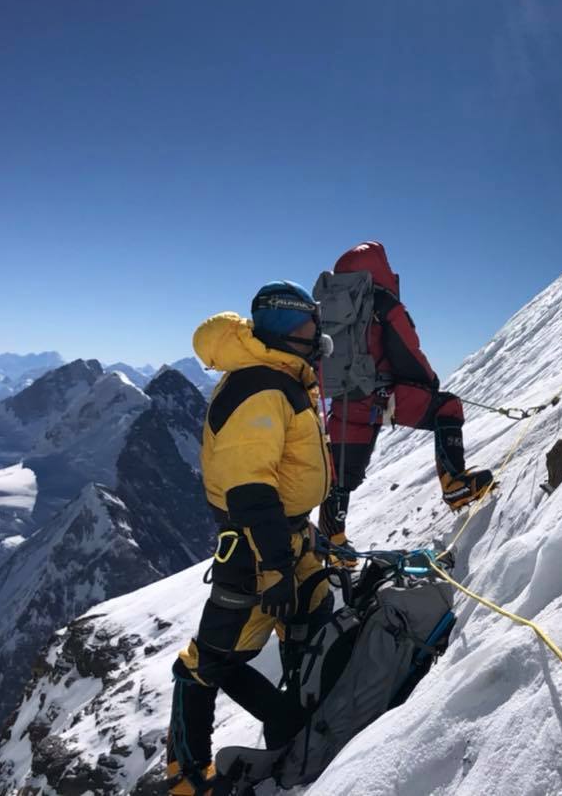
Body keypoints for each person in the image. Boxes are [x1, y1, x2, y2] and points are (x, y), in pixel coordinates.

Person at [167, 281, 335, 795]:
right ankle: (187, 774)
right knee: (210, 661)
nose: (315, 332)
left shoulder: (278, 379)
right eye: (305, 324)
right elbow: (249, 487)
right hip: (258, 547)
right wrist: (275, 567)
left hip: (285, 539)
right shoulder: (262, 386)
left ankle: (295, 724)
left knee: (311, 620)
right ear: (286, 332)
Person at [320, 242, 493, 555]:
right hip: (381, 396)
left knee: (339, 477)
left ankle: (333, 543)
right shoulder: (381, 301)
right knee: (448, 407)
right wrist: (429, 382)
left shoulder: (332, 306)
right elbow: (406, 348)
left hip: (345, 405)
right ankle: (455, 484)